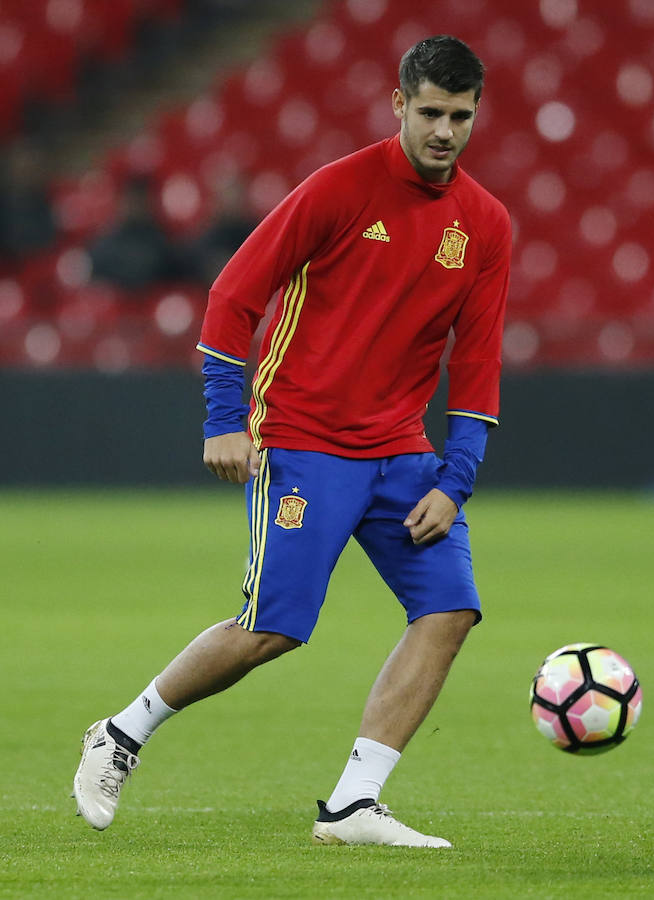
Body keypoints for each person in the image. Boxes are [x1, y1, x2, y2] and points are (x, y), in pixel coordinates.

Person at [73, 35, 511, 848]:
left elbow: (478, 362)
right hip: (306, 439)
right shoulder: (340, 189)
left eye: (460, 115)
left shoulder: (484, 225)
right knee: (272, 628)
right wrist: (222, 418)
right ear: (399, 106)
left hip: (402, 452)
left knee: (450, 609)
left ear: (476, 112)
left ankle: (354, 804)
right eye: (430, 114)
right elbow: (232, 296)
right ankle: (121, 734)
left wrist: (457, 477)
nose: (444, 131)